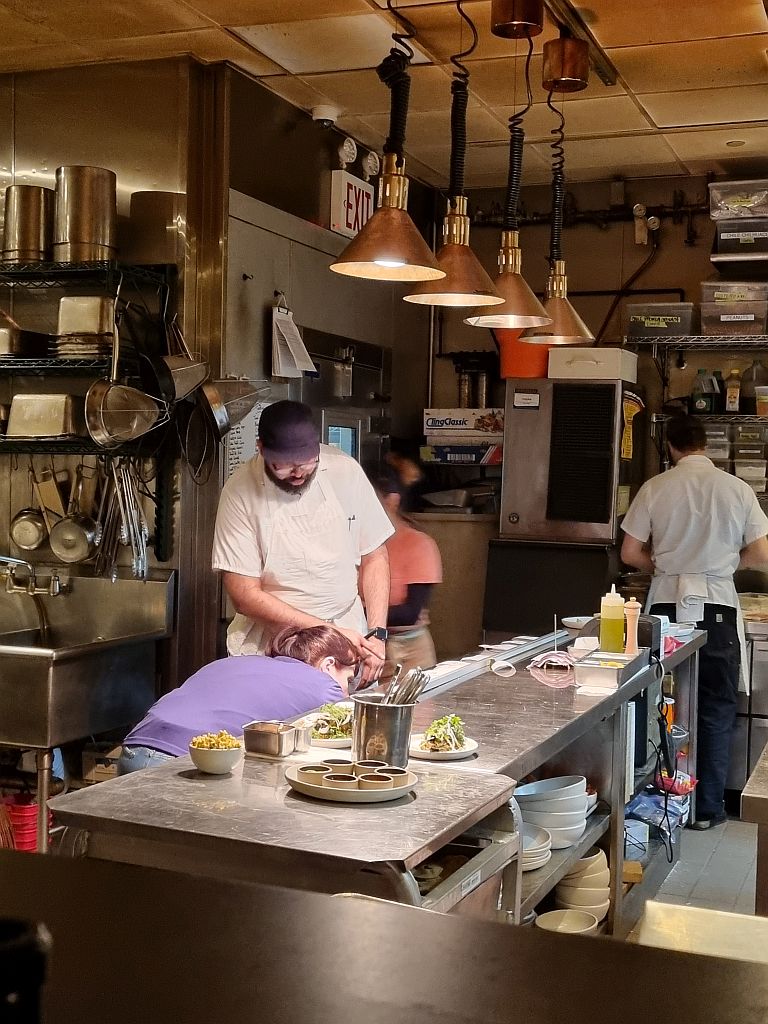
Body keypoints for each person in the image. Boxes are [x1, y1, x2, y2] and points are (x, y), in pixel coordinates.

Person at [620, 414, 768, 829]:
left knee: (660, 704)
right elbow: (761, 552)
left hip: (667, 605)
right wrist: (724, 567)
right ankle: (707, 810)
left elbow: (630, 553)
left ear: (670, 446)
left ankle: (663, 804)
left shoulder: (655, 487)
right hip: (718, 606)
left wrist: (666, 567)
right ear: (706, 444)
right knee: (716, 706)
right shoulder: (737, 489)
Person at [212, 400, 393, 683]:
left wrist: (377, 634)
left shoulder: (346, 471)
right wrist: (326, 632)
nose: (298, 473)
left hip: (347, 634)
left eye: (307, 462)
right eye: (284, 466)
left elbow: (375, 555)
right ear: (261, 449)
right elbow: (244, 594)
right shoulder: (239, 492)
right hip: (274, 645)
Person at [117, 625, 359, 774]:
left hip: (133, 749)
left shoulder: (234, 662)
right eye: (348, 680)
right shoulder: (324, 686)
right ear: (329, 665)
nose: (345, 692)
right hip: (185, 760)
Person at [373, 473, 443, 680]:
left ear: (392, 500)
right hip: (368, 644)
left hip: (410, 651)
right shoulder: (357, 542)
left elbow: (410, 612)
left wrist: (359, 615)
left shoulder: (419, 544)